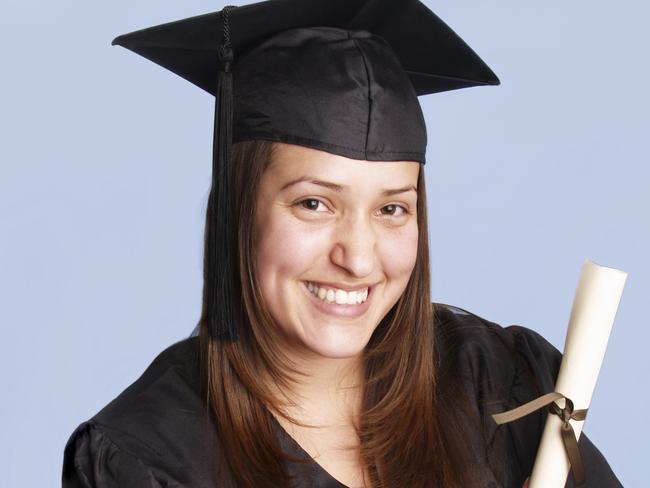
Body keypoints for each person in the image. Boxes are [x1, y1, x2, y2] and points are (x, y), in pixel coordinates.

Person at [62, 0, 622, 487]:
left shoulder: (498, 383)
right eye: (314, 203)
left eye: (392, 208)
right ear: (238, 211)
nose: (357, 258)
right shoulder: (147, 459)